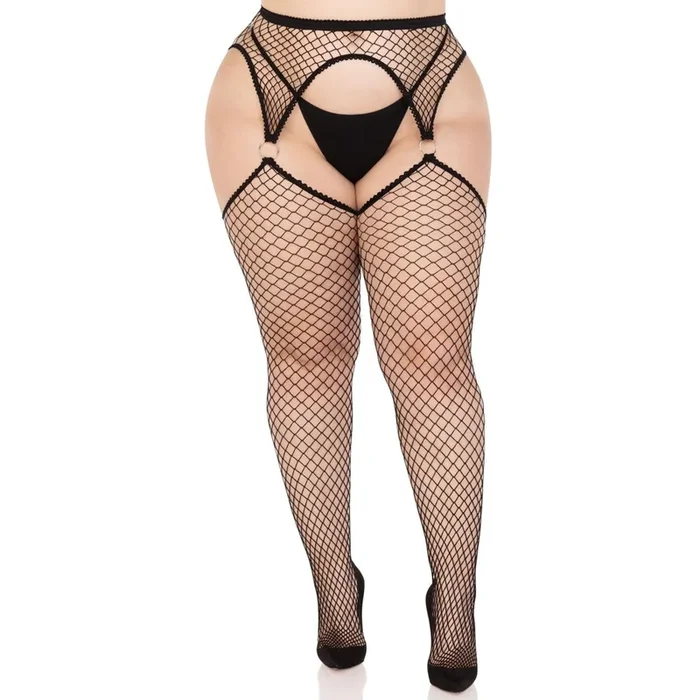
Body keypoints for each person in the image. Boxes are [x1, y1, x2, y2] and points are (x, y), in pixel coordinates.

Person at [205, 0, 490, 692]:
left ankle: (456, 605)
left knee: (435, 363)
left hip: (428, 86)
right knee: (305, 359)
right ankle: (335, 595)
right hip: (269, 91)